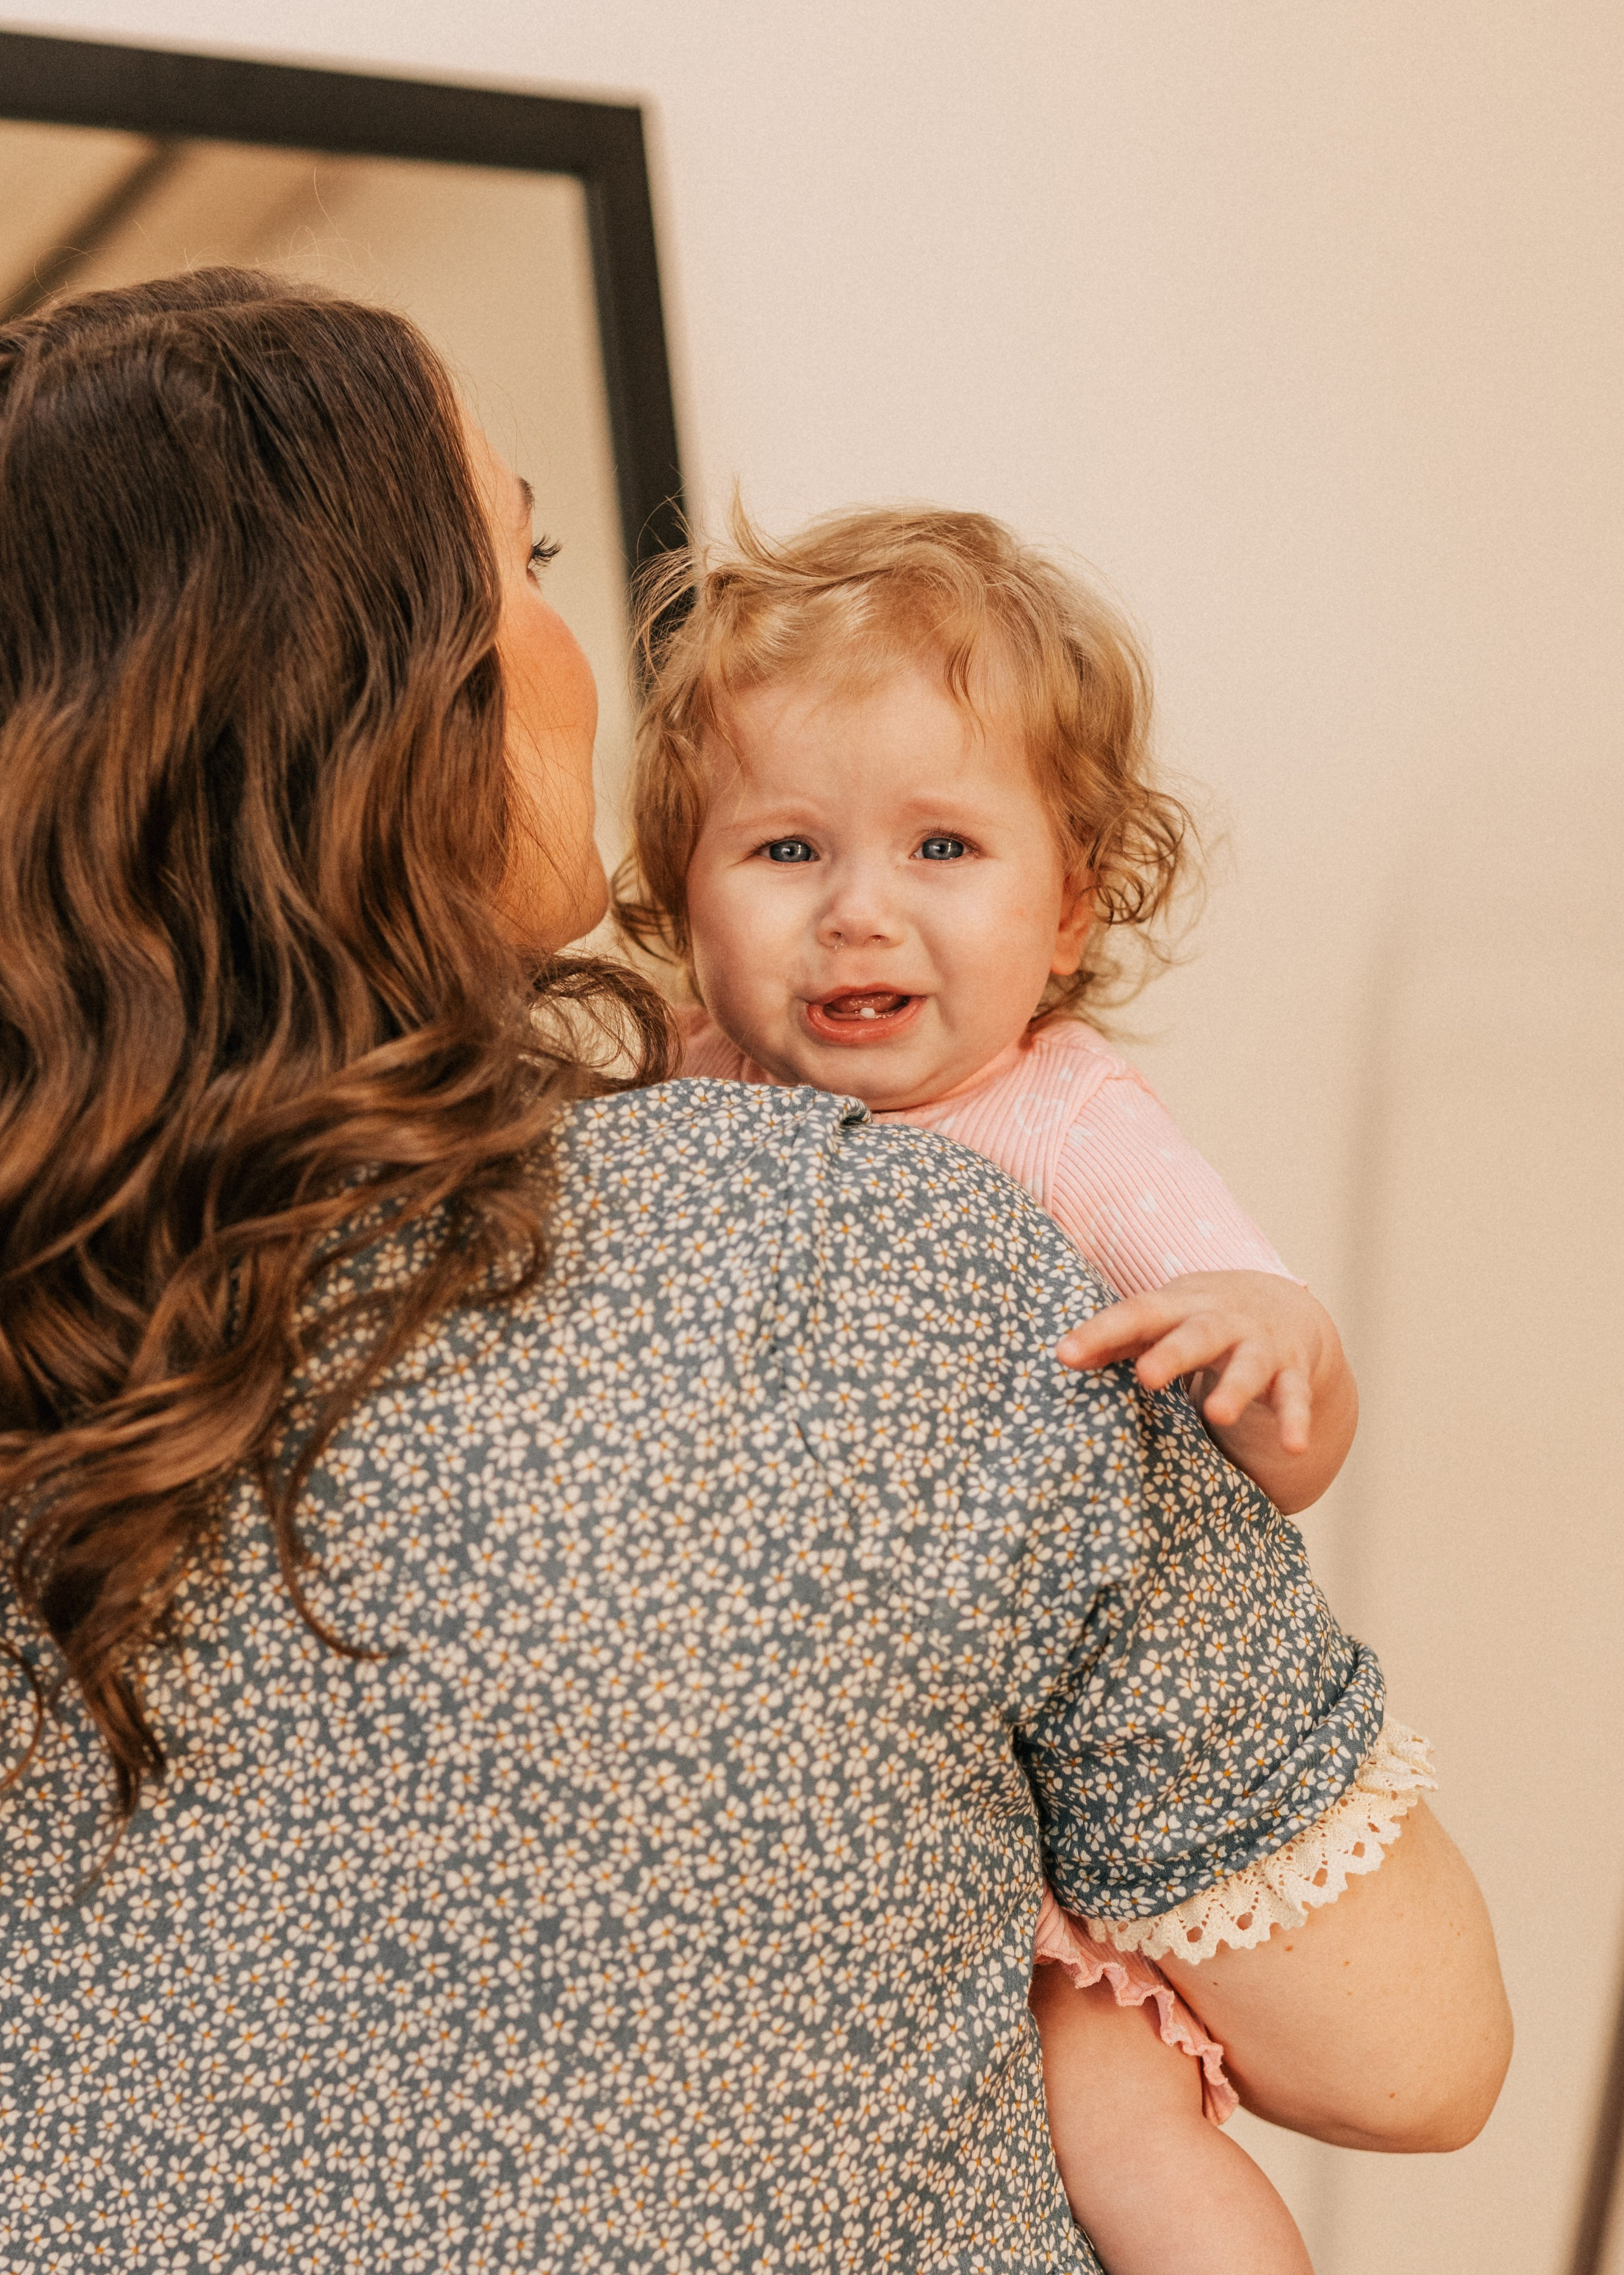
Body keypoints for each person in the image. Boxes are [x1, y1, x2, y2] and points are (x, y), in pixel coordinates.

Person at [0, 272, 1509, 2275]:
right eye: (520, 557)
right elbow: (1413, 2056)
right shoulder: (872, 1261)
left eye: (944, 851)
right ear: (396, 687)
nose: (570, 644)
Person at [613, 505, 1486, 2271]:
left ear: (1070, 905)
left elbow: (1281, 1402)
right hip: (840, 1812)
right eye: (786, 850)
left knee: (1123, 2140)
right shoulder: (665, 1096)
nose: (862, 913)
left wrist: (1264, 1353)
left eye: (944, 846)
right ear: (678, 896)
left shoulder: (1067, 1122)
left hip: (1065, 1830)